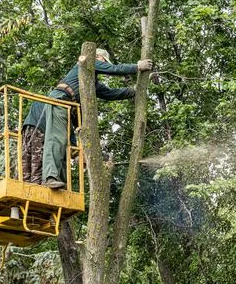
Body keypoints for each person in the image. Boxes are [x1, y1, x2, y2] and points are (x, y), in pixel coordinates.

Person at [26, 48, 152, 189]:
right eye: (104, 61)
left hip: (68, 109)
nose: (104, 64)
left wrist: (134, 91)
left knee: (65, 145)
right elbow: (113, 69)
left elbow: (110, 94)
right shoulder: (87, 62)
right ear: (99, 57)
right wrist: (137, 67)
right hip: (60, 102)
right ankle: (50, 177)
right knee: (56, 140)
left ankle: (58, 180)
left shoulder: (91, 83)